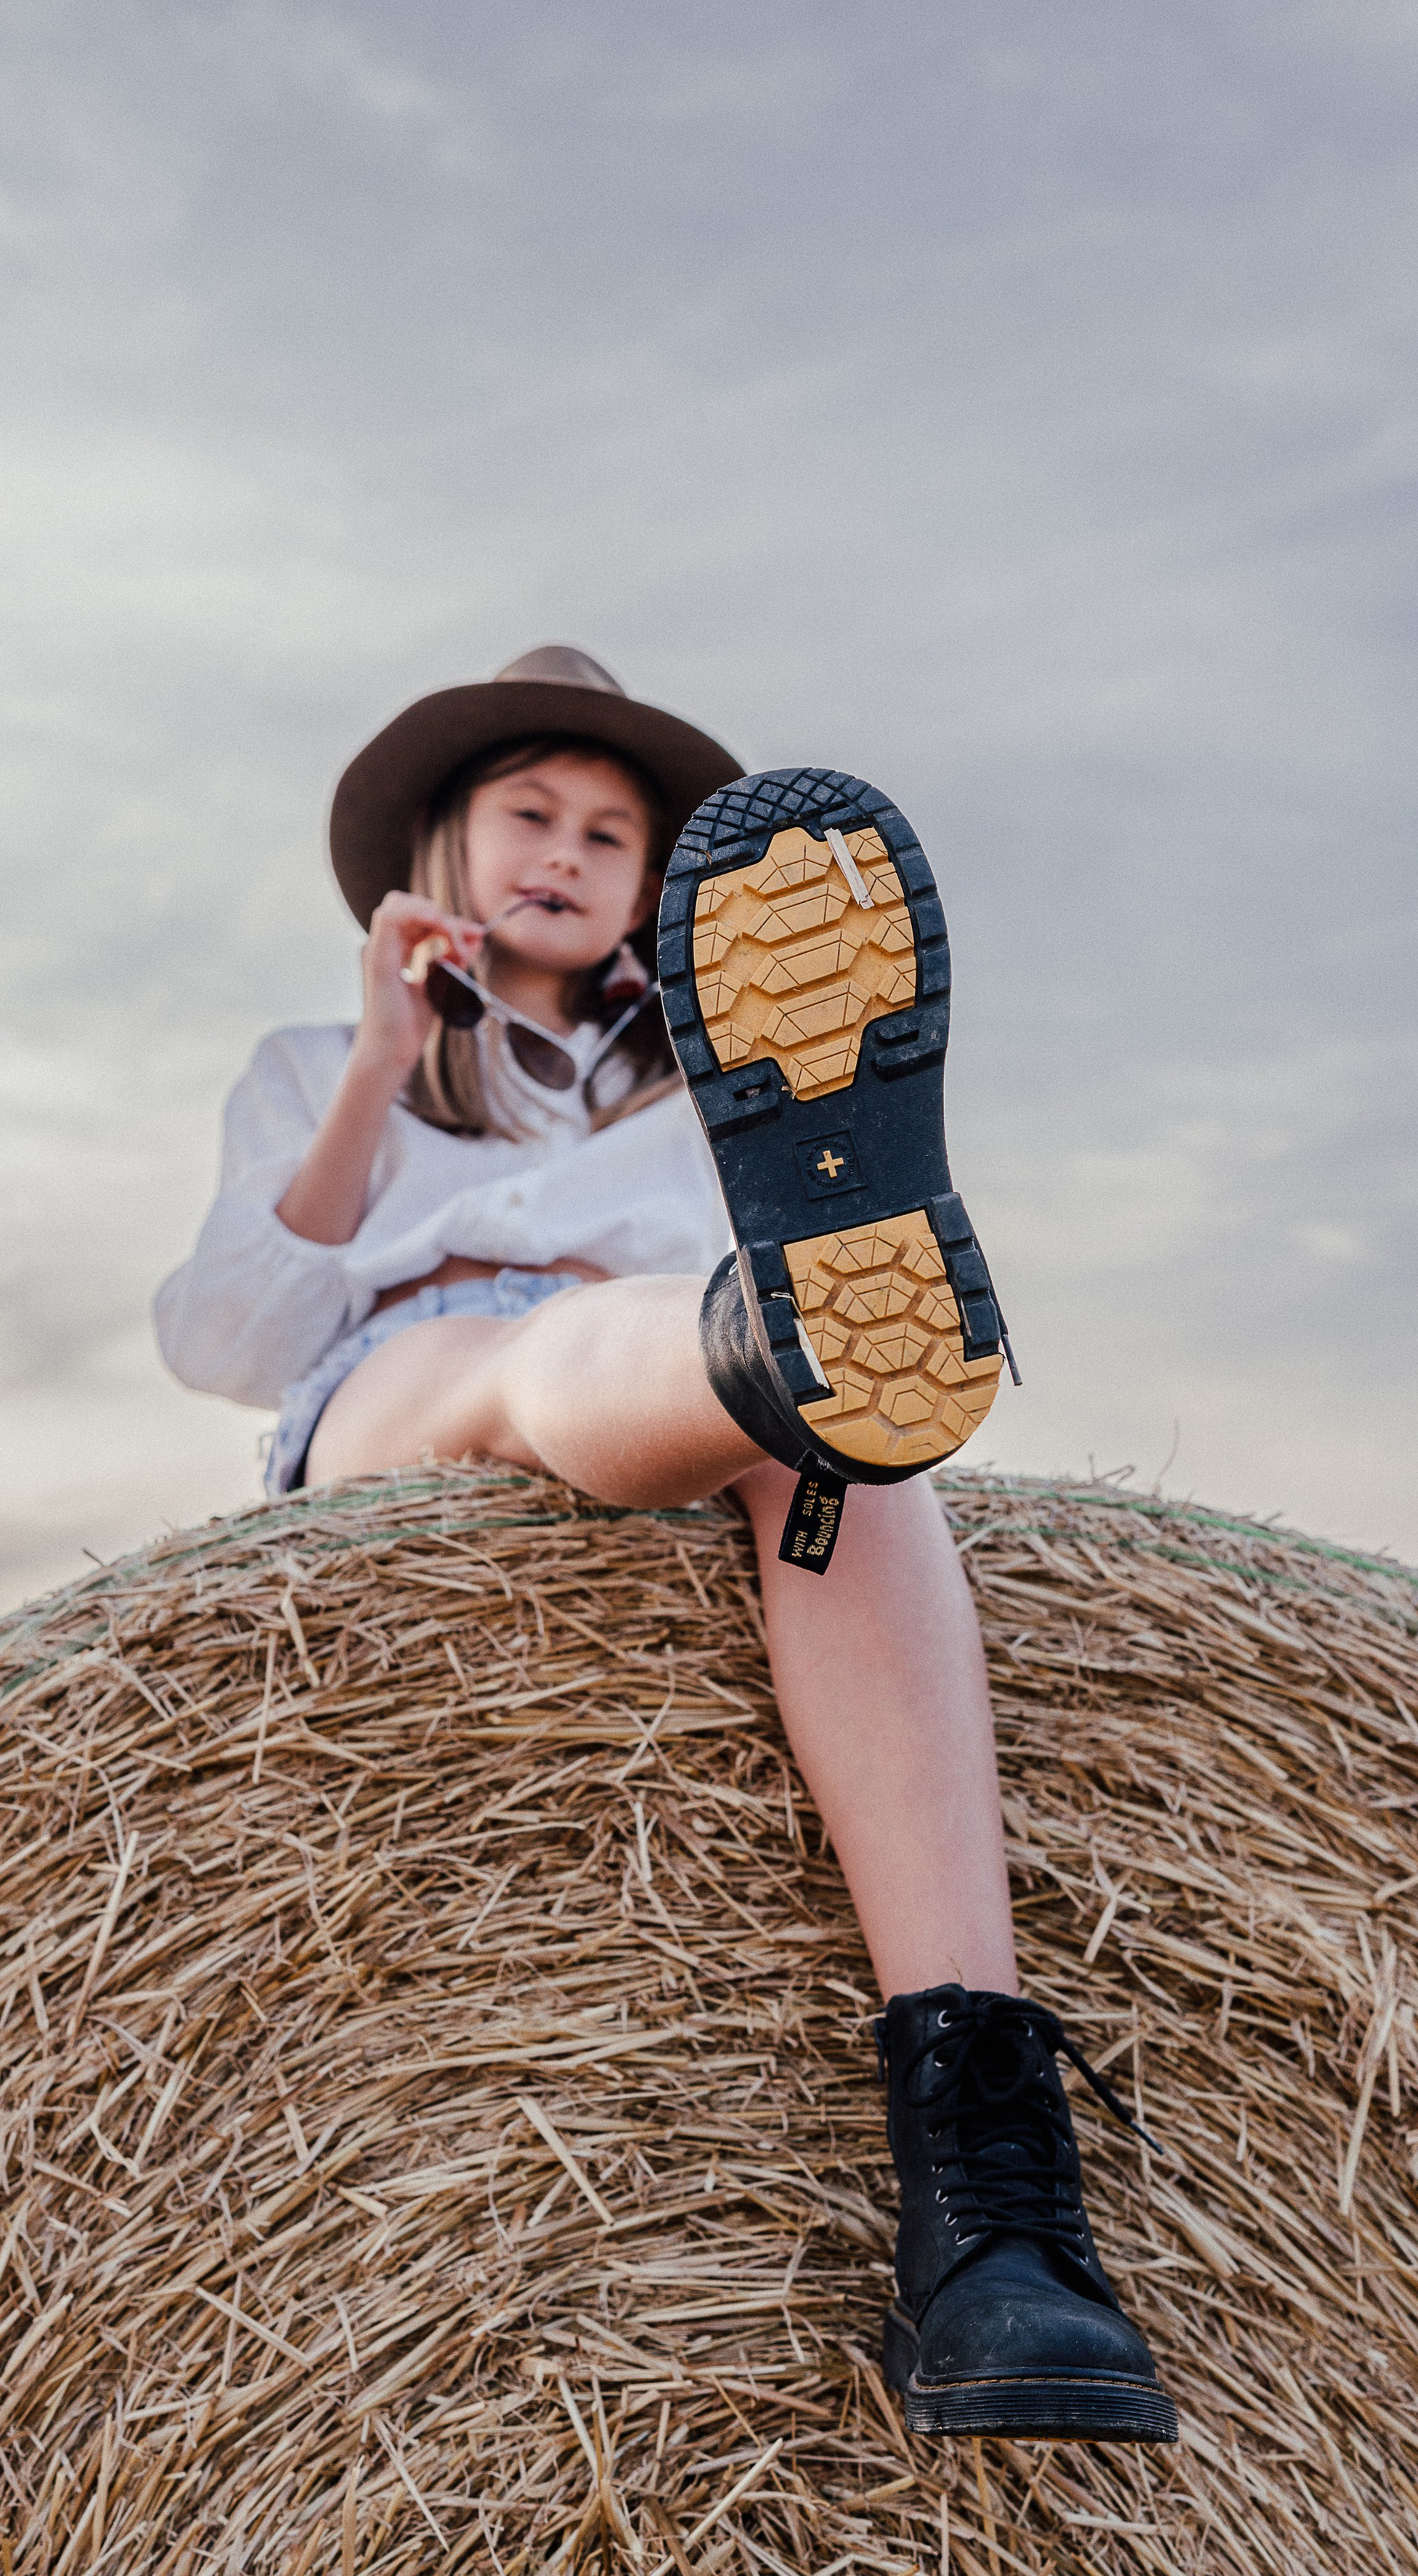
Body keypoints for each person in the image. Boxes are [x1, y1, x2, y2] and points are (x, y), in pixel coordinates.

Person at [155, 645, 1175, 2444]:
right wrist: (381, 1067)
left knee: (846, 1463)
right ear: (439, 848)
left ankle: (987, 2181)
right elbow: (226, 1338)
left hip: (675, 1382)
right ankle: (770, 1343)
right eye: (526, 815)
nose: (562, 849)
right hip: (400, 1392)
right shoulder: (322, 1064)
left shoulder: (719, 1087)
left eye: (609, 833)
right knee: (538, 1353)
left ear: (650, 890)